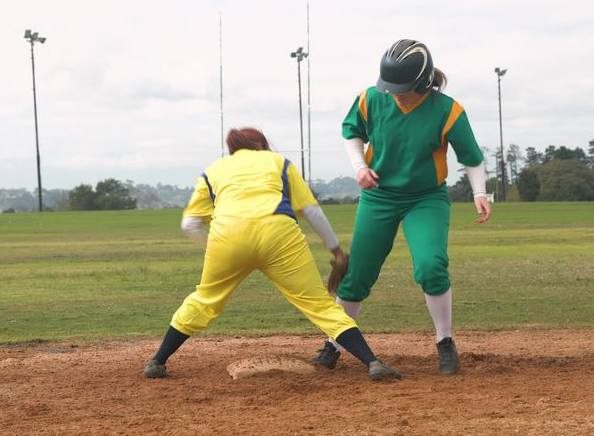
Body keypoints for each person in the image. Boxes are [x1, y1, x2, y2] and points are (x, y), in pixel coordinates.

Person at [143, 127, 401, 382]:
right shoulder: (279, 162)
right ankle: (373, 363)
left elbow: (189, 224)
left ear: (232, 149)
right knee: (319, 305)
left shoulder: (213, 170)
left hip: (228, 238)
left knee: (205, 300)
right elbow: (311, 211)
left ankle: (157, 361)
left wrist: (216, 250)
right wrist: (335, 249)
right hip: (279, 235)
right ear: (262, 145)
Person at [312, 39, 491, 375]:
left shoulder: (447, 110)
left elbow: (471, 156)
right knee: (355, 276)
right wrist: (360, 169)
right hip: (379, 196)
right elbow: (352, 132)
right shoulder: (371, 98)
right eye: (390, 87)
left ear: (423, 83)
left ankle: (445, 342)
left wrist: (479, 192)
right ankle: (333, 343)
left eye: (403, 89)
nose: (395, 94)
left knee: (430, 266)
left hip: (425, 198)